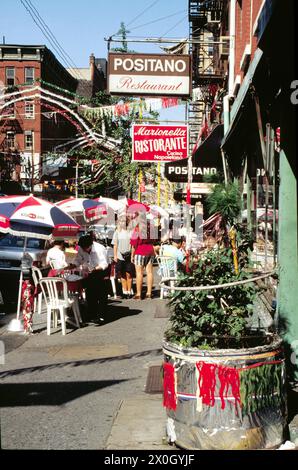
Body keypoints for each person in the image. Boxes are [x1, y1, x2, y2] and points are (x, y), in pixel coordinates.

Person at [72, 234, 109, 321]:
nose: (84, 250)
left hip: (101, 270)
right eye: (83, 248)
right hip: (91, 271)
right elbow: (78, 259)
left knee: (101, 293)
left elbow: (104, 264)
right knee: (90, 292)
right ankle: (92, 314)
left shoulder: (100, 249)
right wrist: (72, 265)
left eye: (86, 248)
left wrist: (95, 269)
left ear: (91, 245)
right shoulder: (82, 248)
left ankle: (101, 316)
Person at [130, 218, 156, 300]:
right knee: (150, 272)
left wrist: (132, 255)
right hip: (150, 250)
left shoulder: (137, 229)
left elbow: (134, 244)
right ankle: (149, 293)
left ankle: (138, 294)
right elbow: (154, 240)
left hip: (140, 251)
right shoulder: (151, 228)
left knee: (139, 273)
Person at [112, 217, 135, 299]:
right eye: (121, 221)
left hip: (128, 256)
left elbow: (133, 246)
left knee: (129, 274)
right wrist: (115, 256)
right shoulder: (117, 232)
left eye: (124, 221)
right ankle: (124, 291)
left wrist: (132, 255)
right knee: (122, 275)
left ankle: (129, 291)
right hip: (120, 256)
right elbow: (115, 245)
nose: (123, 223)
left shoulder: (131, 232)